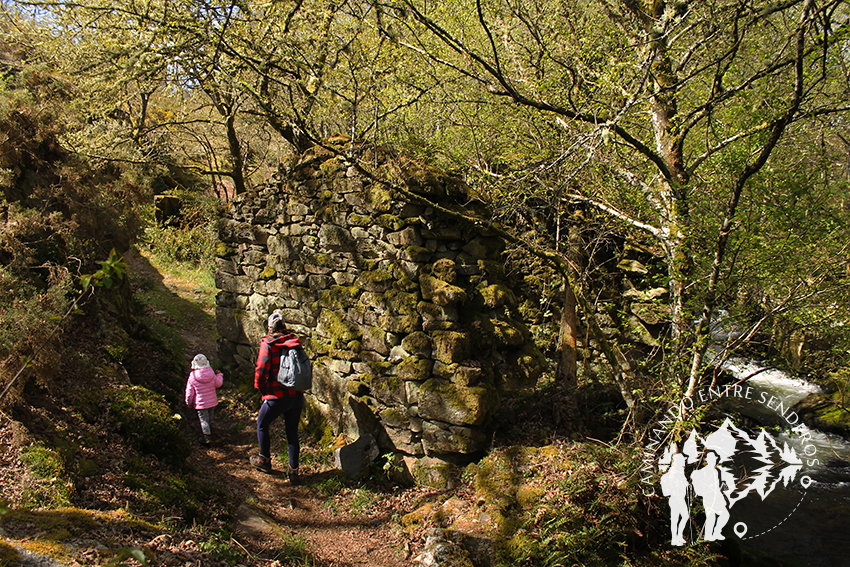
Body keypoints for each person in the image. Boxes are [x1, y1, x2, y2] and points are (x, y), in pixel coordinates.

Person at [250, 312, 305, 483]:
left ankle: (264, 459)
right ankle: (293, 471)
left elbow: (261, 369)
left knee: (262, 424)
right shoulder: (294, 342)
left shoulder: (269, 344)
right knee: (292, 432)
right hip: (296, 395)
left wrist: (260, 388)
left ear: (269, 327)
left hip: (276, 396)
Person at [185, 353, 224, 444]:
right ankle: (210, 430)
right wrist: (220, 375)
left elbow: (189, 392)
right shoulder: (211, 373)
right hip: (212, 402)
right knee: (209, 417)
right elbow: (218, 384)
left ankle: (207, 437)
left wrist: (188, 402)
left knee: (204, 420)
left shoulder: (192, 376)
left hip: (201, 404)